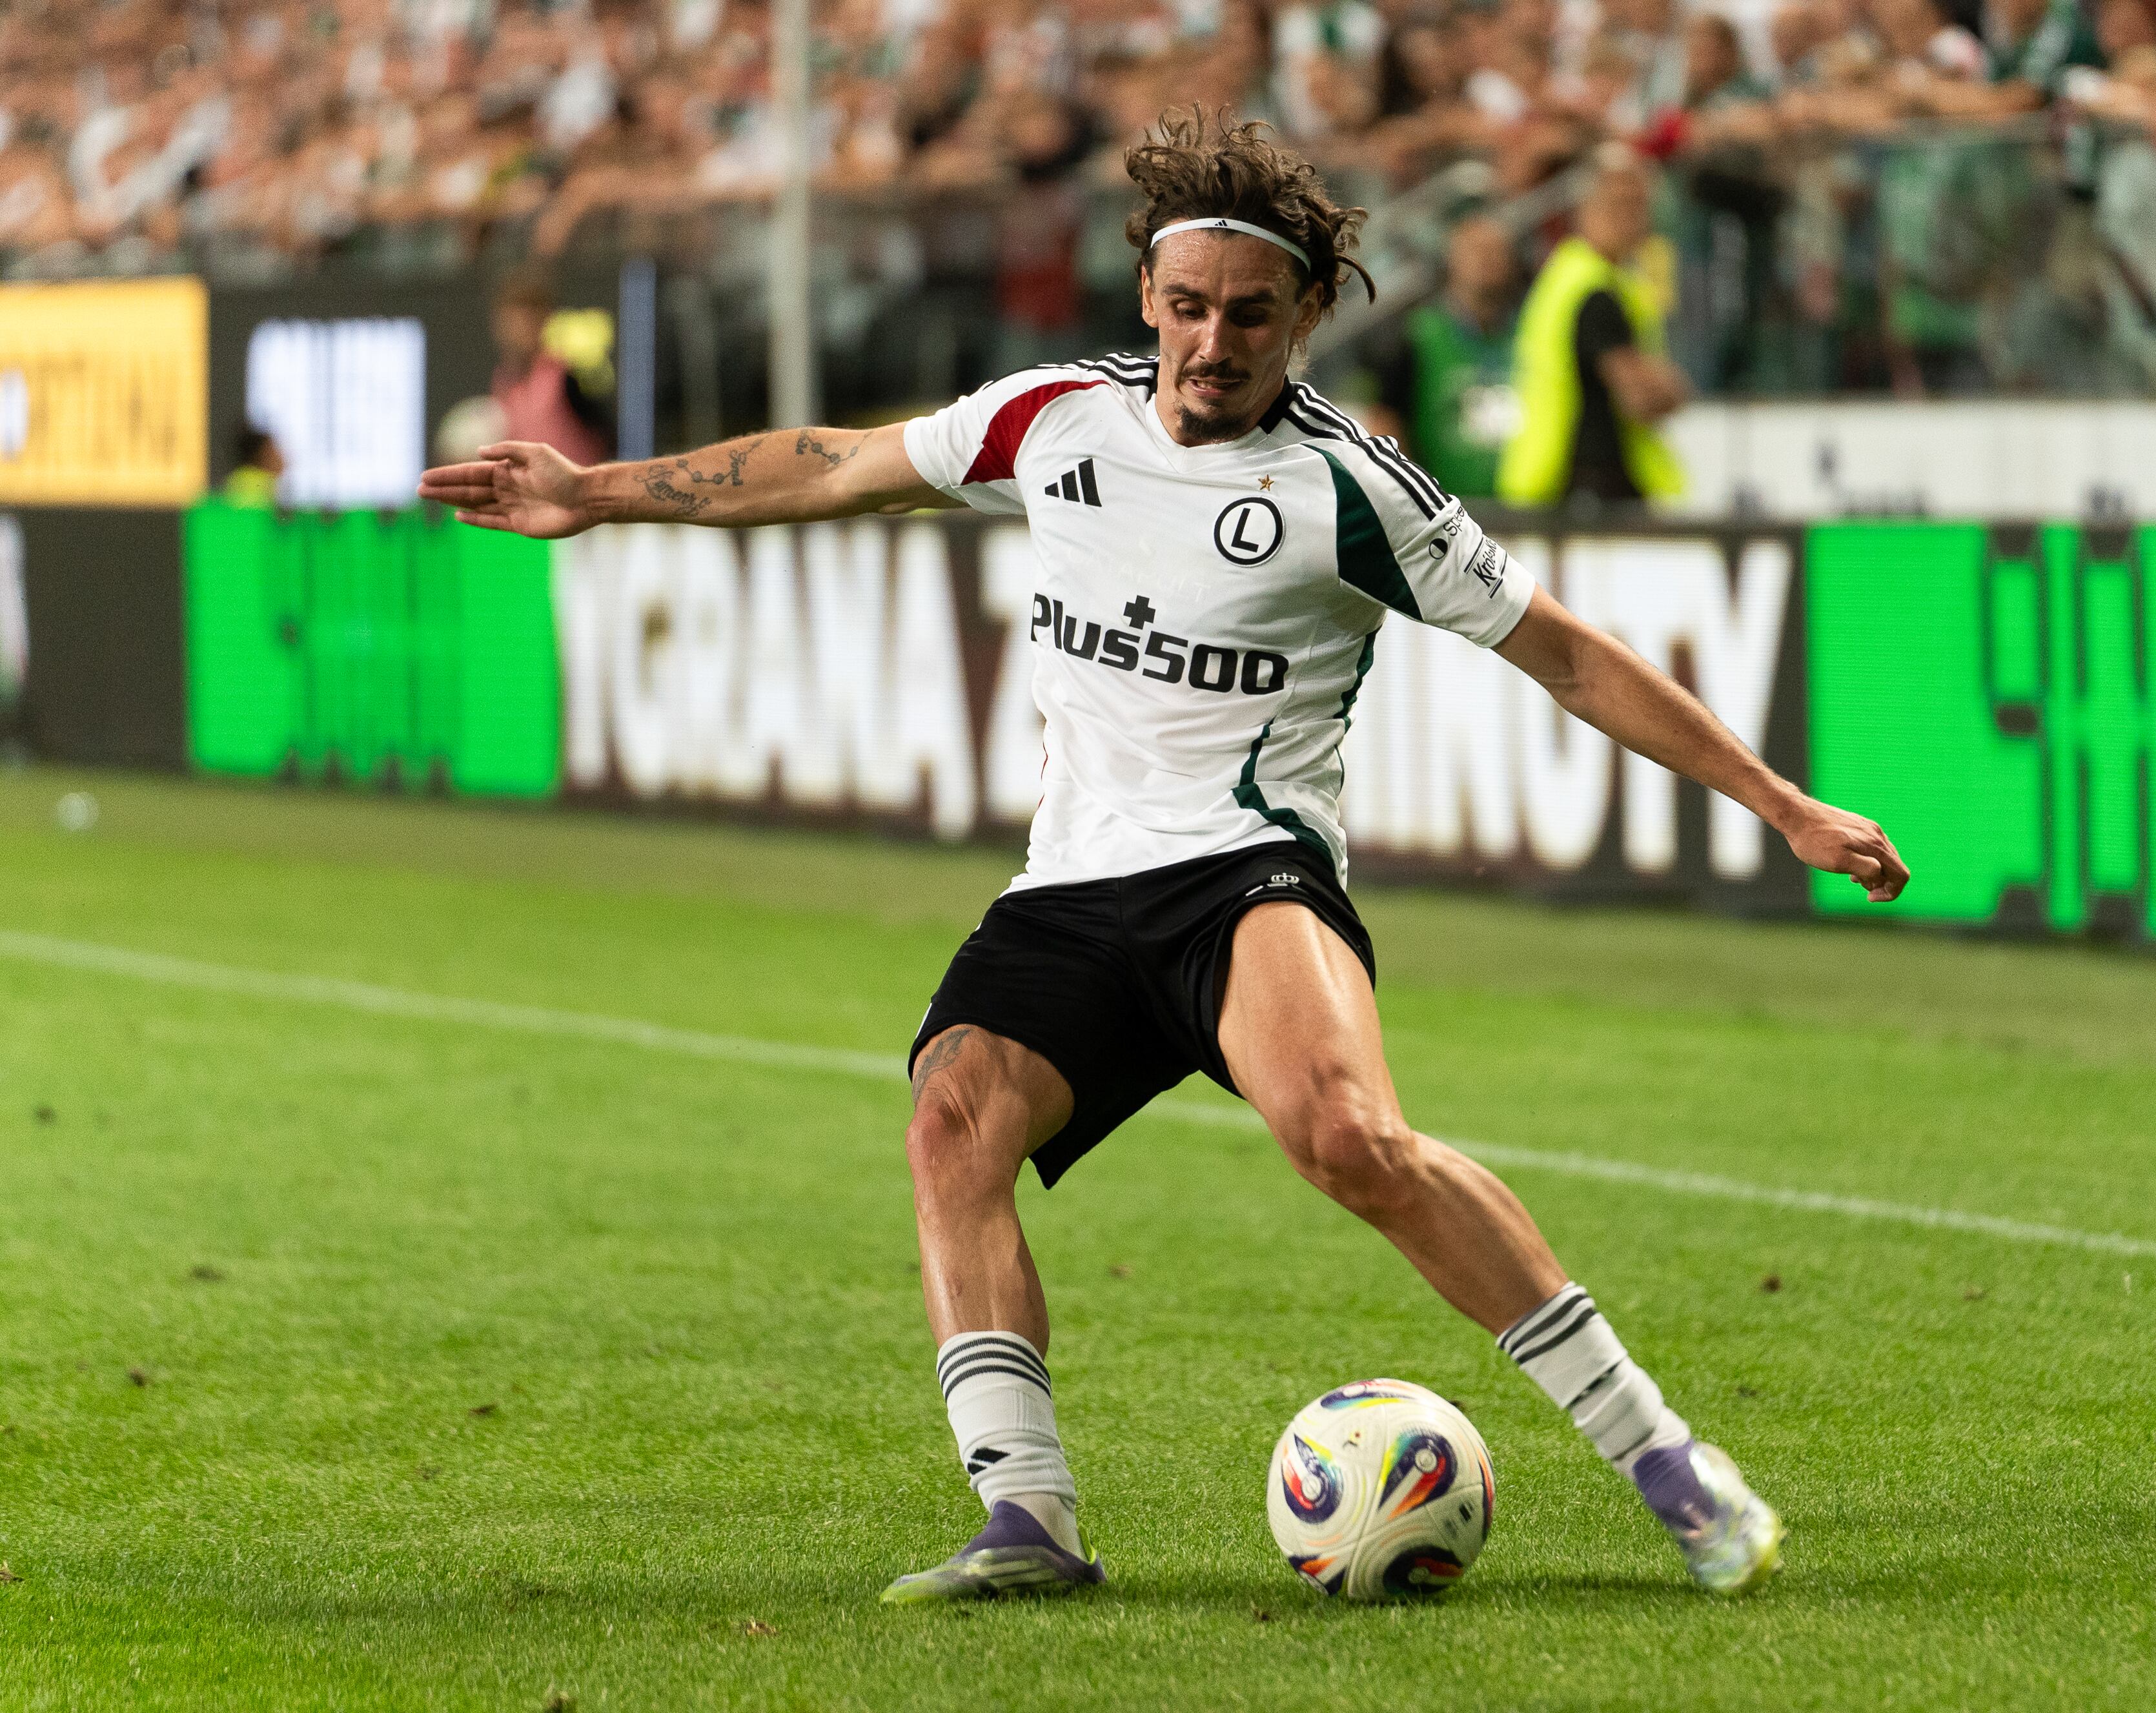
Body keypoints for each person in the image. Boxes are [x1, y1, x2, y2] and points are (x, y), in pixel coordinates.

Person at [420, 106, 1909, 1605]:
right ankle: (1027, 1518)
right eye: (1185, 309)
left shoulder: (1354, 489)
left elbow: (1570, 660)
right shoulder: (1048, 420)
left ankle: (1666, 1462)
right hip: (1073, 884)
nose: (1210, 347)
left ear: (1306, 316)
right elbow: (829, 466)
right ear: (1144, 295)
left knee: (1344, 1137)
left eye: (1248, 317)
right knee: (950, 1120)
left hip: (1244, 875)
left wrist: (1781, 806)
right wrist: (595, 493)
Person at [1496, 145, 1693, 509]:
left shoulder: (1568, 275)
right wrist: (1676, 389)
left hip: (1552, 481)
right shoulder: (1597, 291)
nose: (1631, 217)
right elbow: (1639, 396)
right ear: (1586, 208)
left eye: (1638, 205)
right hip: (1588, 491)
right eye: (1618, 204)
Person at [1355, 214, 1523, 498]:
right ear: (1451, 260)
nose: (1486, 261)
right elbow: (1385, 421)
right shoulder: (1415, 336)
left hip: (1526, 509)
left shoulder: (1529, 331)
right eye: (1475, 251)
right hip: (1447, 511)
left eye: (1495, 251)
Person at [487, 272, 613, 467]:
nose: (520, 328)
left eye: (529, 318)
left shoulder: (569, 375)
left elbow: (609, 438)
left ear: (547, 319)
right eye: (512, 319)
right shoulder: (503, 382)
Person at [219, 425, 286, 507]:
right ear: (260, 456)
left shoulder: (236, 477)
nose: (280, 456)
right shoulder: (263, 482)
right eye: (272, 451)